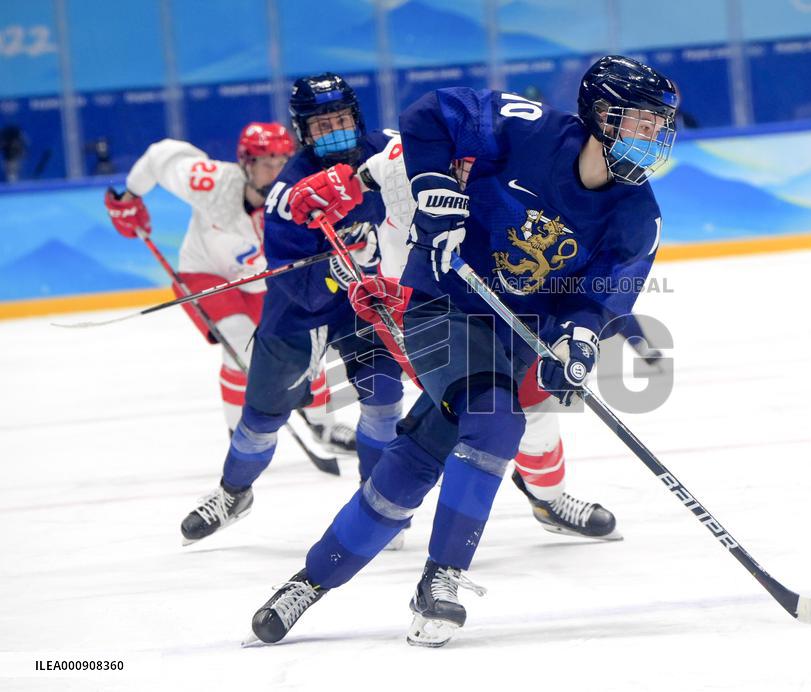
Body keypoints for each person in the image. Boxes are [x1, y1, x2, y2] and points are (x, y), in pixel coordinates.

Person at [246, 56, 677, 647]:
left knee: (418, 458)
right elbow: (430, 114)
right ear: (603, 115)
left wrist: (576, 341)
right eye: (643, 125)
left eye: (661, 129)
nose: (654, 142)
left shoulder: (638, 214)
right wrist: (434, 184)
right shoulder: (526, 128)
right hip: (442, 303)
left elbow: (603, 296)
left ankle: (307, 582)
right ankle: (441, 580)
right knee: (498, 423)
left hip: (513, 331)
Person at [354, 138, 622, 541]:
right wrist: (351, 220)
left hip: (494, 304)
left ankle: (548, 498)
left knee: (536, 407)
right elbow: (360, 178)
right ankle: (384, 509)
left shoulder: (505, 155)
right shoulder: (399, 155)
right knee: (450, 412)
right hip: (421, 309)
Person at [177, 74, 405, 545]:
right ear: (304, 131)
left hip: (369, 302)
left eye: (342, 120)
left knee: (384, 405)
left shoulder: (388, 152)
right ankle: (234, 493)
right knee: (260, 419)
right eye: (322, 125)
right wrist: (333, 274)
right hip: (300, 313)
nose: (335, 131)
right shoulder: (288, 191)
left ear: (357, 117)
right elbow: (291, 279)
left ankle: (378, 507)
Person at [104, 123, 354, 452]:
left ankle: (324, 425)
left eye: (284, 162)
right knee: (238, 342)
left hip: (264, 284)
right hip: (206, 275)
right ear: (245, 163)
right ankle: (242, 437)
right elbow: (159, 155)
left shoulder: (299, 196)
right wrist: (130, 196)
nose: (278, 171)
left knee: (303, 346)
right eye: (268, 163)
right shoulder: (211, 183)